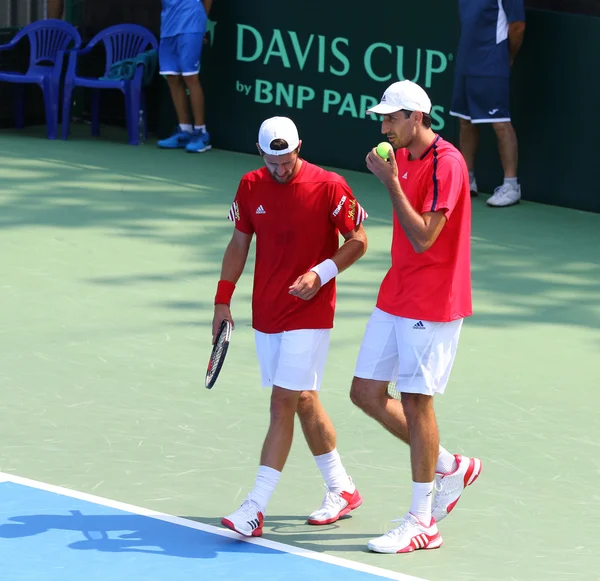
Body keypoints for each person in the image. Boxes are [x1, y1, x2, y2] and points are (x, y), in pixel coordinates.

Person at [214, 116, 368, 537]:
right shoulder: (250, 185)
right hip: (267, 313)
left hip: (310, 312)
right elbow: (239, 243)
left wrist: (321, 273)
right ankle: (342, 488)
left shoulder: (330, 186)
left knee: (281, 403)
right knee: (302, 400)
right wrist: (221, 300)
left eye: (288, 159)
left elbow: (359, 240)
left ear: (300, 147)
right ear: (260, 154)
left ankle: (254, 507)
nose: (281, 169)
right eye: (272, 161)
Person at [350, 80, 481, 554]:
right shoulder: (400, 155)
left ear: (417, 118)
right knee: (364, 392)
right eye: (383, 118)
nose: (384, 126)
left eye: (391, 118)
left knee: (416, 402)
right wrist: (393, 175)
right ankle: (449, 465)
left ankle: (422, 521)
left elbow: (426, 236)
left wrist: (390, 183)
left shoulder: (449, 164)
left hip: (435, 300)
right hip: (398, 290)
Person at [449, 0, 526, 207]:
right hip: (465, 65)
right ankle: (467, 179)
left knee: (500, 123)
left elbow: (517, 26)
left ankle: (511, 185)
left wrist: (507, 57)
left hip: (492, 65)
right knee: (465, 121)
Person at [157, 0, 212, 153]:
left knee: (190, 77)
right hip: (168, 25)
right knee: (172, 77)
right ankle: (184, 130)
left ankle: (201, 133)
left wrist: (202, 23)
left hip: (191, 22)